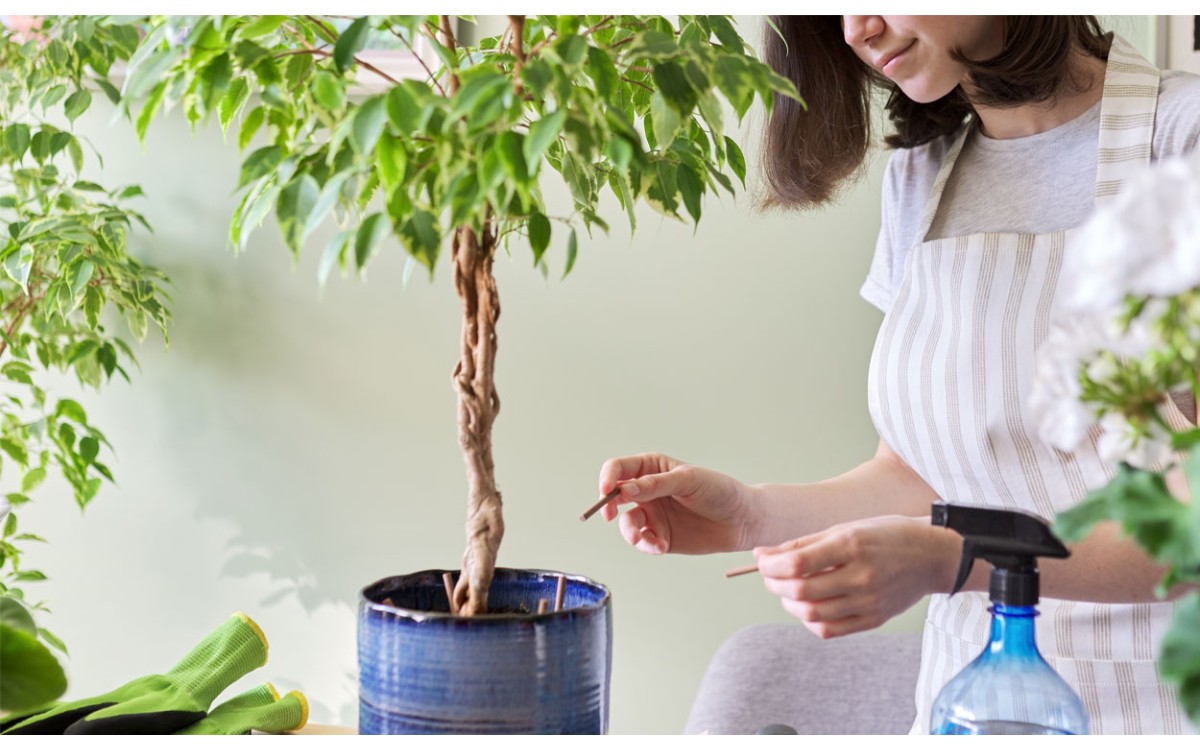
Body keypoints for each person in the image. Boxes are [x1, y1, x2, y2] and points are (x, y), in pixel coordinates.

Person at [595, 16, 1200, 734]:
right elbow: (923, 476)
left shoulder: (1184, 143)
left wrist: (956, 560)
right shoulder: (923, 179)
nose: (859, 28)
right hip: (964, 710)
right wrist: (751, 513)